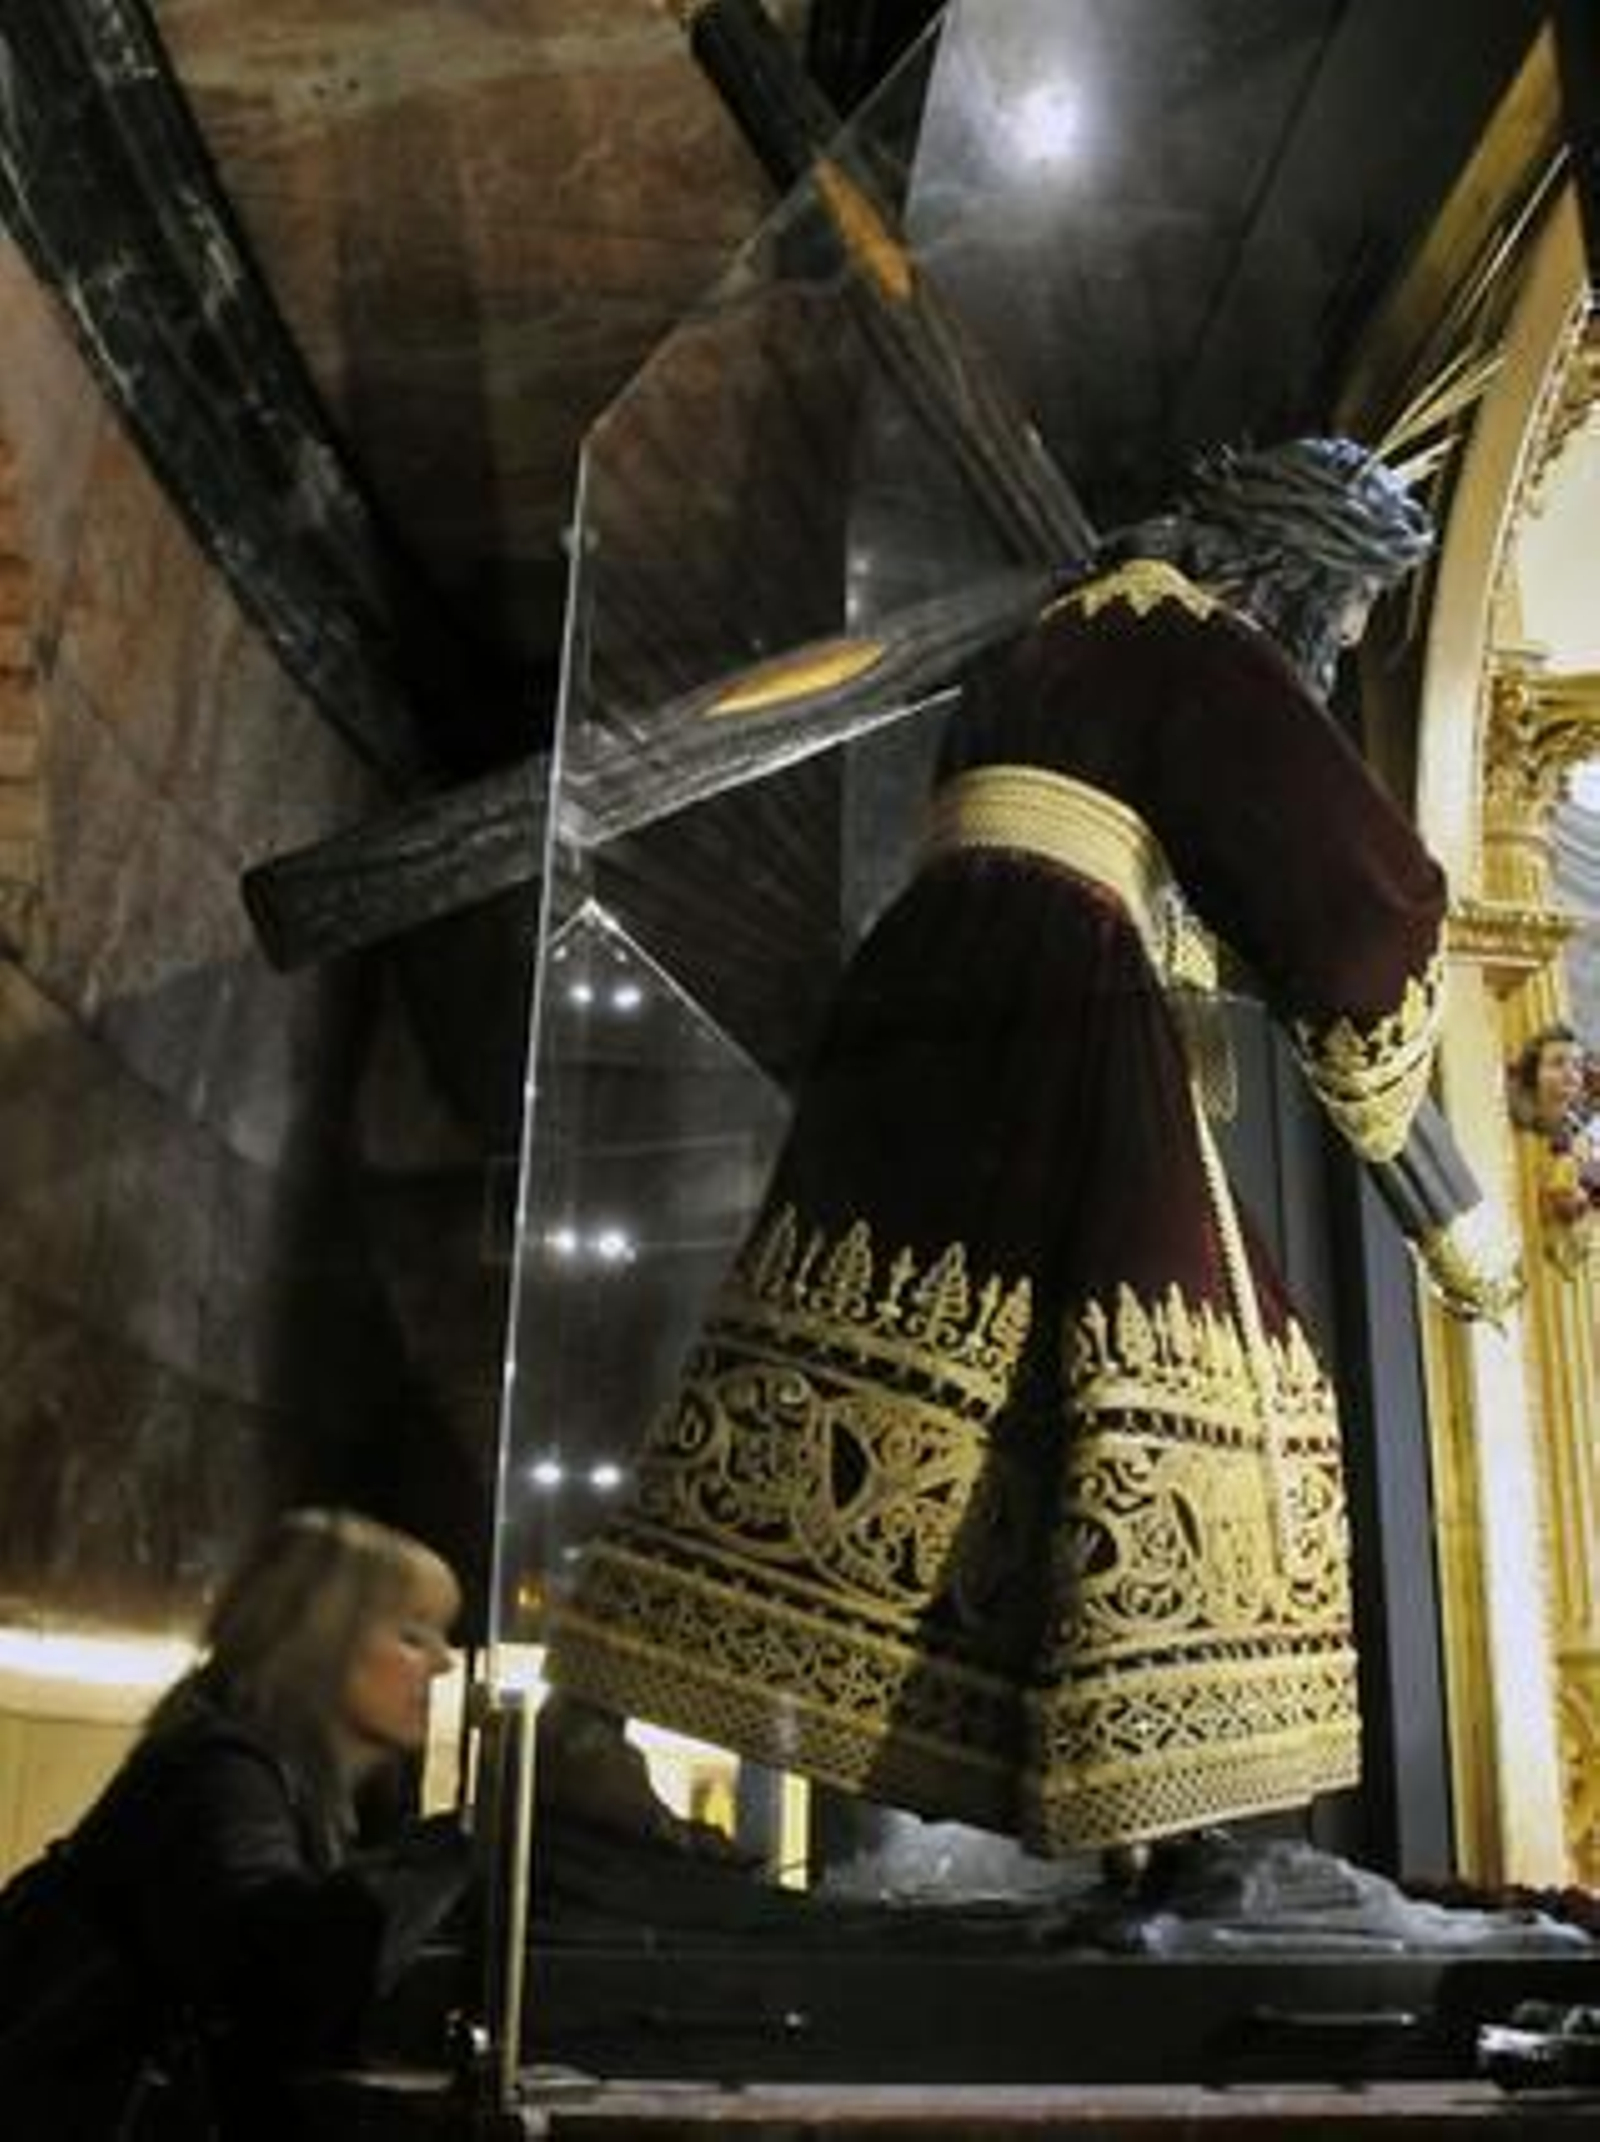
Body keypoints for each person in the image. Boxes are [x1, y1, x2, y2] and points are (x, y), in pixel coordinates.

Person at [540, 437, 1493, 1863]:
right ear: (1297, 573)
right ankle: (1170, 1816)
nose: (1345, 643)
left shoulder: (1059, 633)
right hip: (1059, 1000)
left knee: (850, 1359)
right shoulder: (1193, 640)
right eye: (1349, 612)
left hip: (934, 992)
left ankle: (593, 1727)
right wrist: (1447, 1200)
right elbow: (1350, 894)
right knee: (1195, 1356)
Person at [0, 1508, 470, 2138]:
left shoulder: (281, 1771)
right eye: (413, 1635)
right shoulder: (224, 1771)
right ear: (323, 1642)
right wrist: (448, 1853)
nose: (442, 1662)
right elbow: (272, 1964)